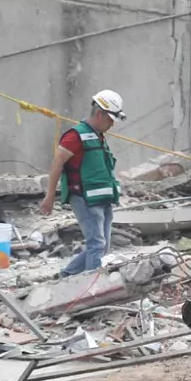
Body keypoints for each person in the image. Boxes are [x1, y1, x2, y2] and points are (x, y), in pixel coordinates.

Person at [40, 90, 125, 277]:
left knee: (102, 246)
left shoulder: (98, 136)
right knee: (97, 244)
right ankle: (92, 288)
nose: (112, 125)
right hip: (84, 199)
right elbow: (57, 164)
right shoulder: (75, 136)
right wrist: (50, 196)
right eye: (110, 120)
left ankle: (67, 276)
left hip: (102, 199)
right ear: (100, 114)